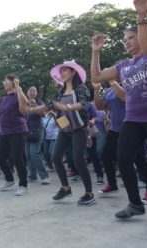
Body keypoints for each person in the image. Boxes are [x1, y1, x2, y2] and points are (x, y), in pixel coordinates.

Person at [90, 0, 147, 228]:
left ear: (141, 35)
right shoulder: (123, 65)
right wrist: (95, 52)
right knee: (124, 158)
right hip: (133, 119)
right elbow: (97, 78)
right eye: (124, 40)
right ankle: (135, 204)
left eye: (130, 37)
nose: (127, 42)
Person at [32, 61, 96, 206]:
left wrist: (67, 107)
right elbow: (47, 106)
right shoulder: (60, 92)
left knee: (78, 160)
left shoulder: (81, 88)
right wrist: (29, 108)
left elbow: (84, 104)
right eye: (60, 72)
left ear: (73, 72)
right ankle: (65, 188)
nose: (62, 74)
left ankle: (89, 193)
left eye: (65, 70)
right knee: (55, 157)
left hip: (79, 130)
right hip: (64, 130)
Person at [0, 75, 29, 196]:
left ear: (14, 82)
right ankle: (9, 180)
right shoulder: (3, 99)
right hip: (5, 132)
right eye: (4, 81)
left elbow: (24, 104)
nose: (4, 83)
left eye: (7, 81)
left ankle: (23, 185)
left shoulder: (17, 95)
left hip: (18, 131)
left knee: (17, 158)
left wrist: (18, 88)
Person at [24, 86, 50, 184]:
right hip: (26, 132)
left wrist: (35, 106)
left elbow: (43, 115)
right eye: (30, 90)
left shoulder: (39, 103)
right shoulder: (25, 103)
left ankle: (45, 176)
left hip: (37, 130)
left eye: (34, 91)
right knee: (28, 155)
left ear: (36, 93)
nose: (32, 92)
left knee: (34, 153)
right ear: (27, 93)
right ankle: (32, 175)